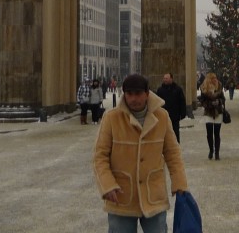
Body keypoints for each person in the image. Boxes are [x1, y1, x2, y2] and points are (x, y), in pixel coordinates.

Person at [94, 73, 189, 233]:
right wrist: (107, 185)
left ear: (147, 93)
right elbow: (100, 156)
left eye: (138, 94)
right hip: (121, 195)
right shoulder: (111, 118)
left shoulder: (162, 117)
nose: (133, 99)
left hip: (153, 194)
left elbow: (173, 153)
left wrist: (179, 182)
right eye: (129, 94)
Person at [198, 72, 227, 160]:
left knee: (217, 133)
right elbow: (202, 100)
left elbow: (223, 98)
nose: (215, 79)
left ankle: (217, 153)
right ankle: (211, 150)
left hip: (218, 112)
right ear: (209, 79)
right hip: (209, 112)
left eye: (215, 77)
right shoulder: (204, 88)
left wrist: (219, 102)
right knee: (209, 133)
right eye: (213, 78)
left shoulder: (219, 86)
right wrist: (209, 104)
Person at [155, 73, 187, 143]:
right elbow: (157, 102)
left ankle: (176, 147)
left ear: (171, 79)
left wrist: (183, 113)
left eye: (167, 78)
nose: (165, 80)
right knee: (164, 134)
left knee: (175, 133)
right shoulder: (160, 90)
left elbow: (182, 101)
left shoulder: (178, 89)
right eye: (164, 78)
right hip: (164, 116)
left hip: (175, 116)